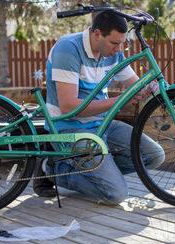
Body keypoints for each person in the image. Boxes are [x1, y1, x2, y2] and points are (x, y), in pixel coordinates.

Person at [33, 11, 165, 205]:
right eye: (114, 43)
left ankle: (94, 170)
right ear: (96, 34)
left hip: (102, 125)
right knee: (115, 194)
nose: (119, 49)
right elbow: (69, 107)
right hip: (70, 128)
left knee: (154, 156)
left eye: (122, 43)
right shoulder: (68, 49)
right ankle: (51, 169)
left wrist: (152, 87)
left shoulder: (112, 53)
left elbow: (137, 85)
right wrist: (120, 101)